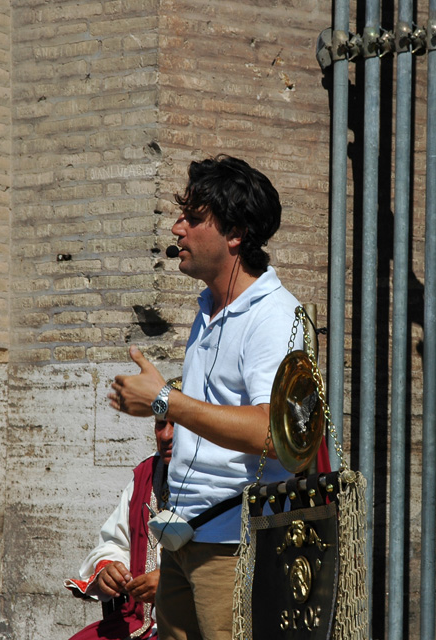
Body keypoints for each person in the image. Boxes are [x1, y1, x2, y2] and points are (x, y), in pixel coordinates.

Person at [108, 155, 300, 640]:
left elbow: (275, 434)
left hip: (236, 547)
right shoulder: (209, 308)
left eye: (193, 219)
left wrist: (166, 402)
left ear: (234, 234)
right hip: (186, 539)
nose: (177, 228)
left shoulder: (274, 318)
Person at [65, 415, 176, 640]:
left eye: (178, 425)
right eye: (160, 424)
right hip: (140, 623)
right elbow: (116, 542)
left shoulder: (225, 481)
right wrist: (110, 570)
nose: (166, 436)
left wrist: (171, 584)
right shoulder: (146, 475)